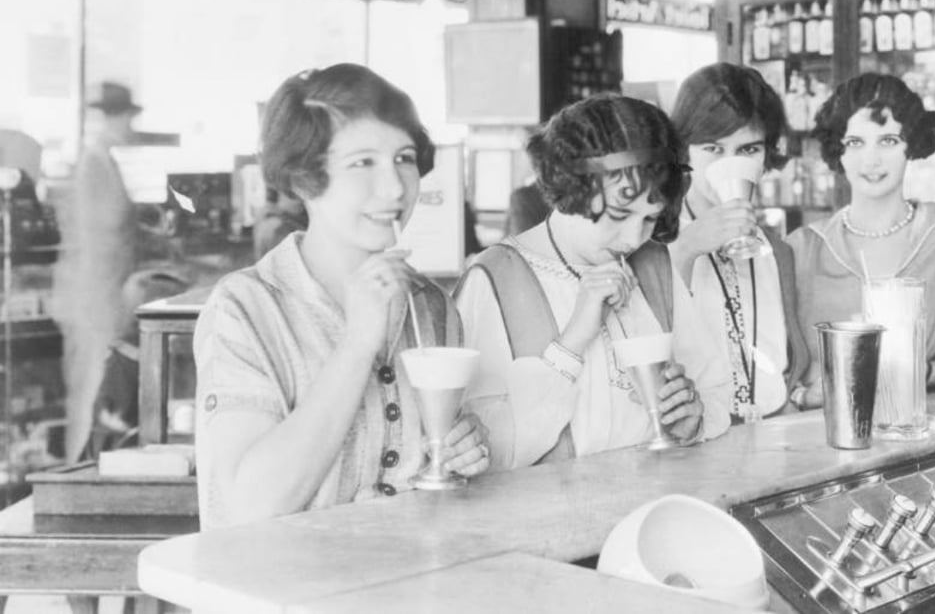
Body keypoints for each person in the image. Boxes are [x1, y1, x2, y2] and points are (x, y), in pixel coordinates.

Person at [193, 64, 489, 529]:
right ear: (303, 179)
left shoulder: (431, 304)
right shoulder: (246, 308)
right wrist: (357, 344)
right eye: (362, 163)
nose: (394, 188)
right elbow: (248, 505)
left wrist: (464, 448)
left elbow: (435, 476)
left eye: (405, 158)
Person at [454, 94, 732, 470]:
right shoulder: (496, 279)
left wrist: (692, 418)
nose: (634, 238)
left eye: (650, 218)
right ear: (570, 189)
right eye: (619, 214)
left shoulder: (652, 264)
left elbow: (716, 391)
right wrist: (573, 341)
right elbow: (488, 454)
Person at [786, 73, 935, 409]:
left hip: (912, 426)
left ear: (911, 145)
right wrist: (802, 396)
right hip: (819, 431)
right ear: (838, 151)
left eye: (888, 141)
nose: (871, 160)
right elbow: (775, 367)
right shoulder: (802, 247)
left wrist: (920, 371)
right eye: (855, 142)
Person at [668, 63, 812, 421]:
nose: (731, 164)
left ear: (766, 156)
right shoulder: (654, 242)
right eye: (713, 149)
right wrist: (686, 249)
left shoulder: (777, 252)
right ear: (685, 153)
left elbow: (784, 363)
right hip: (693, 451)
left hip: (774, 442)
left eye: (748, 150)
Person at [53, 80, 144, 462]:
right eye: (127, 118)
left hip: (102, 289)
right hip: (95, 294)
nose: (130, 127)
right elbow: (107, 223)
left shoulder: (102, 158)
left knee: (94, 387)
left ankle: (86, 463)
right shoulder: (95, 160)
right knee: (91, 389)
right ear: (116, 117)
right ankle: (82, 467)